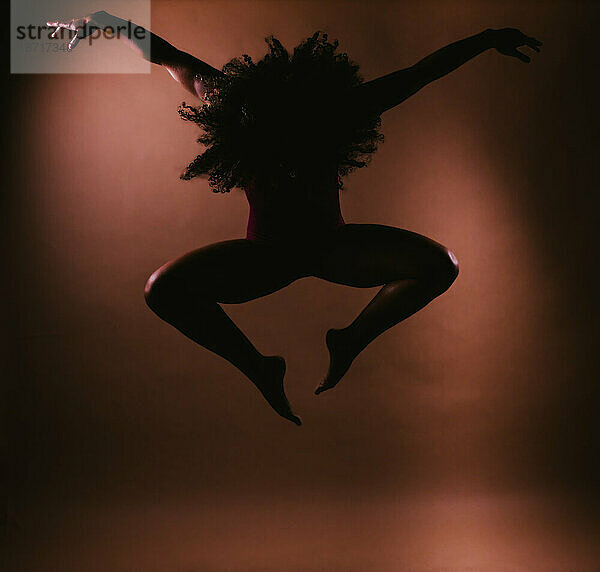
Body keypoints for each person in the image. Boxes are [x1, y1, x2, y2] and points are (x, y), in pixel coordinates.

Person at [47, 11, 542, 425]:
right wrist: (99, 21)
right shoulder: (234, 104)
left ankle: (349, 340)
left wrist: (486, 39)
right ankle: (261, 368)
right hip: (267, 256)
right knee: (162, 290)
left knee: (442, 265)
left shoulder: (336, 109)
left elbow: (420, 74)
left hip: (336, 248)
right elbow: (167, 54)